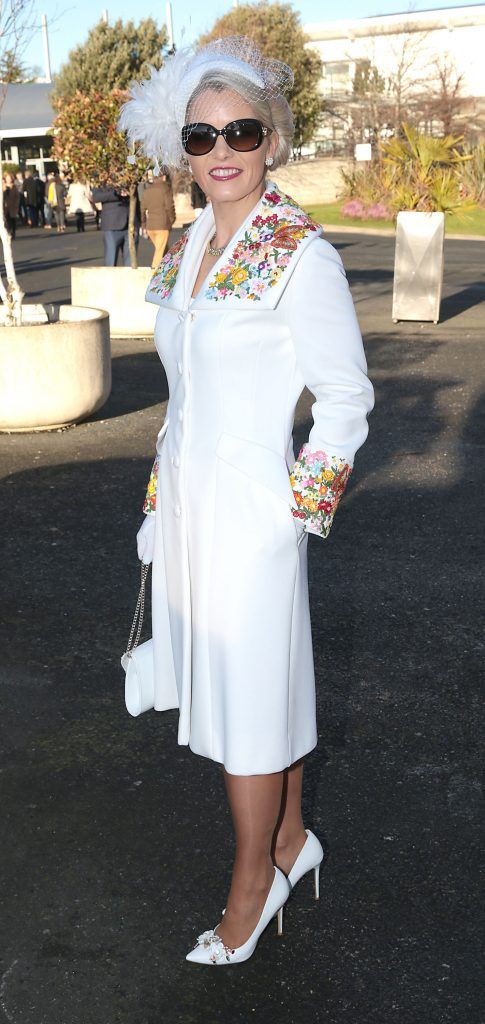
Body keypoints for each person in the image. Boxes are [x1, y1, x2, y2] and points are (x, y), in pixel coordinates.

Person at [119, 38, 374, 967]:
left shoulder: (299, 254)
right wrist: (156, 506)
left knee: (247, 708)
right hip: (186, 509)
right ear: (179, 148)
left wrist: (294, 510)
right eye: (201, 134)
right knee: (256, 691)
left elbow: (345, 398)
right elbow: (183, 400)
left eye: (241, 130)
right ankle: (290, 840)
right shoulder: (185, 248)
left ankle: (252, 884)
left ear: (272, 139)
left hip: (254, 516)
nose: (221, 148)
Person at [90, 183, 140, 265]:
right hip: (112, 225)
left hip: (131, 225)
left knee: (131, 264)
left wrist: (139, 223)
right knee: (111, 262)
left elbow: (136, 200)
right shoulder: (102, 179)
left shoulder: (130, 177)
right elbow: (96, 197)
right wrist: (116, 193)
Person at [140, 170, 176, 268]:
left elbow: (142, 209)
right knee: (159, 250)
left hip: (150, 226)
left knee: (163, 248)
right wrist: (172, 219)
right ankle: (154, 271)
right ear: (163, 177)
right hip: (162, 225)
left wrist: (143, 224)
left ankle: (170, 267)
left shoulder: (147, 190)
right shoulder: (165, 188)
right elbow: (170, 207)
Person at [3, 173, 20, 239]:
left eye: (9, 178)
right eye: (7, 178)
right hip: (6, 206)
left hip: (13, 206)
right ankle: (8, 232)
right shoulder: (3, 187)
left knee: (13, 220)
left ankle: (13, 232)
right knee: (6, 220)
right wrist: (4, 189)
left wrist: (16, 205)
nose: (8, 180)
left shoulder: (14, 187)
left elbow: (17, 196)